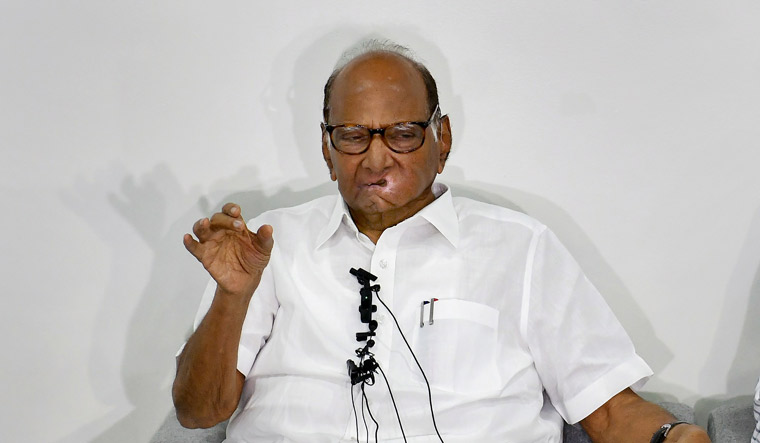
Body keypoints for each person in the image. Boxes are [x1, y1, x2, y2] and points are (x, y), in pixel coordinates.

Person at [172, 40, 710, 442]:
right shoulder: (267, 245)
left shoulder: (520, 249)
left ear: (442, 138)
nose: (377, 160)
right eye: (354, 136)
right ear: (327, 147)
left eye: (402, 134)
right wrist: (232, 298)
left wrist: (675, 437)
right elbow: (198, 413)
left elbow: (610, 409)